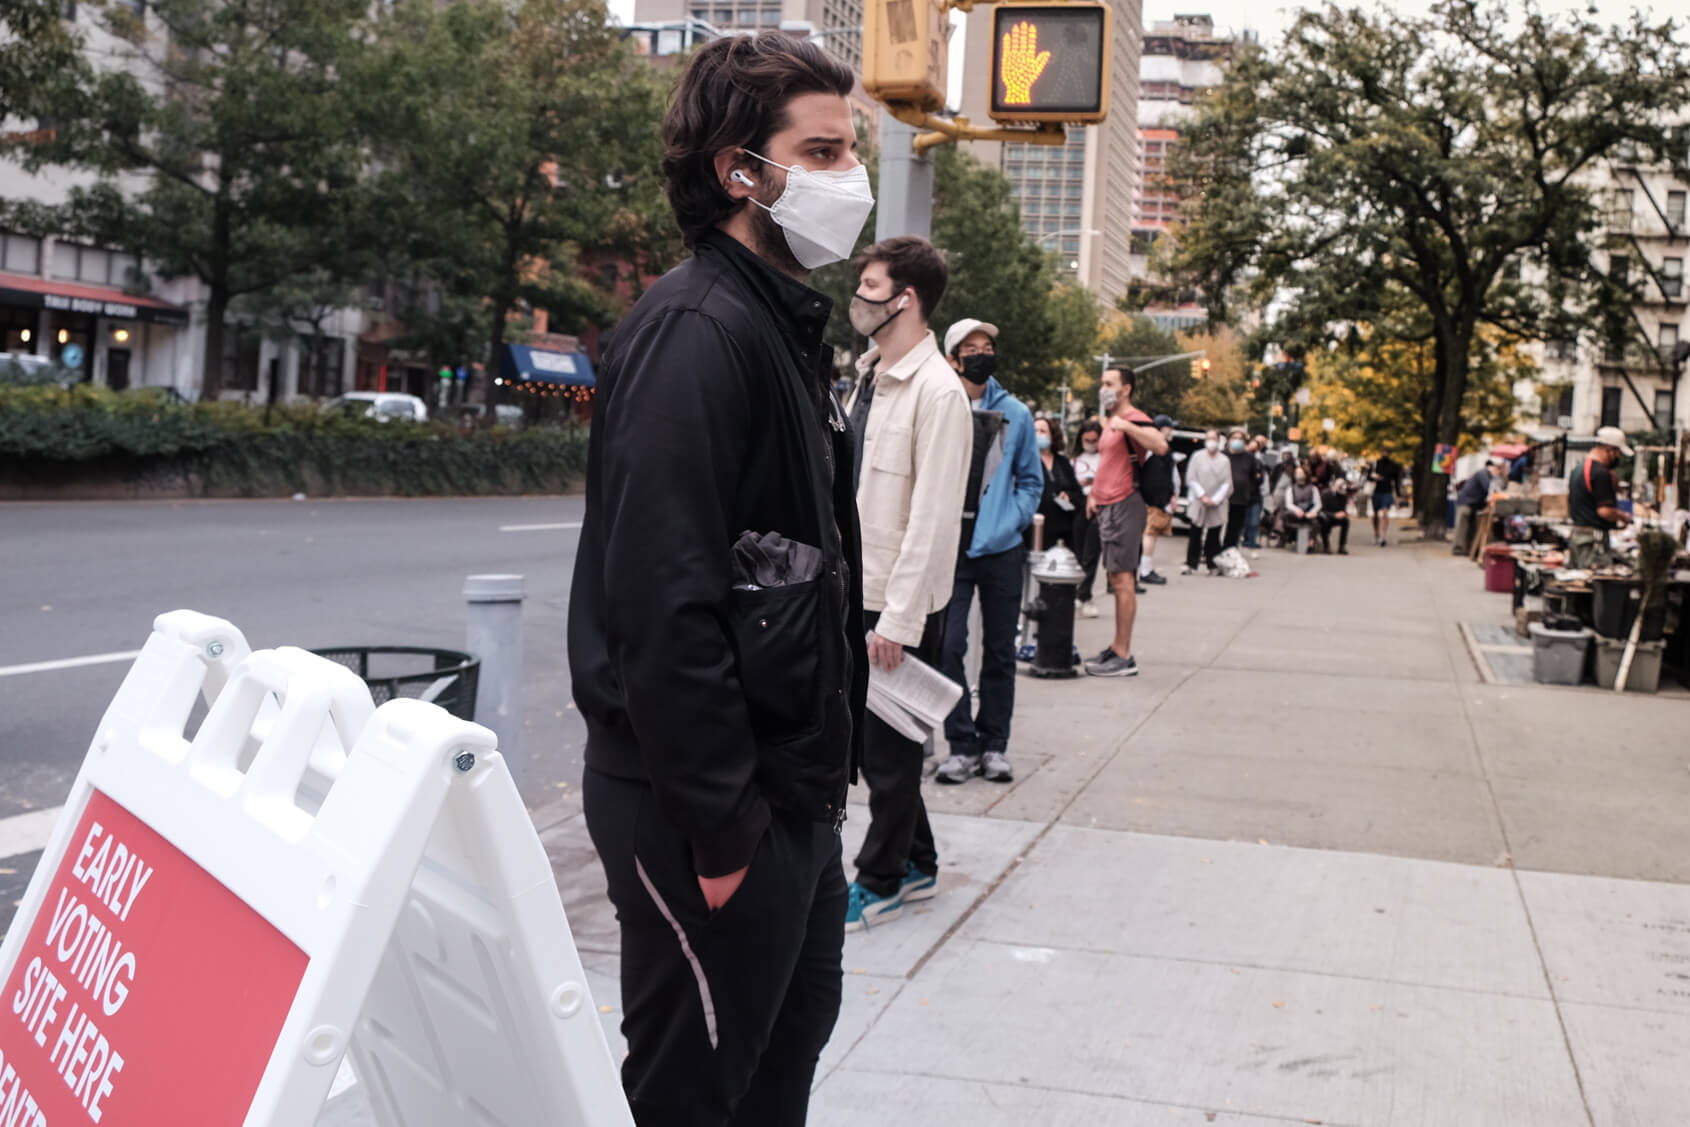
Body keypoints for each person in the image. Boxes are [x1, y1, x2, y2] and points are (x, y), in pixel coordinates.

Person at [567, 35, 869, 1126]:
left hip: (786, 795)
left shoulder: (774, 324)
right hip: (705, 807)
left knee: (775, 1067)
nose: (850, 178)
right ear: (741, 170)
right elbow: (662, 600)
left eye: (852, 148)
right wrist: (724, 833)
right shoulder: (698, 328)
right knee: (697, 1092)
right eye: (822, 150)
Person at [841, 237, 973, 933]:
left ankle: (881, 879)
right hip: (858, 589)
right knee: (876, 746)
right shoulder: (869, 376)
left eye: (869, 285)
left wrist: (897, 619)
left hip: (898, 601)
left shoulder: (938, 392)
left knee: (889, 755)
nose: (859, 297)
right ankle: (917, 861)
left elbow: (931, 518)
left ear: (906, 298)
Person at [935, 318, 1042, 784]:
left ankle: (994, 745)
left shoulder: (1016, 413)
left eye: (988, 345)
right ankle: (961, 745)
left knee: (1001, 651)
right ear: (952, 357)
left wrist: (1010, 521)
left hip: (1001, 549)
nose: (982, 353)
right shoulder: (938, 406)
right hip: (948, 547)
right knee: (946, 645)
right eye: (971, 346)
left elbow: (1032, 481)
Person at [1083, 366, 1169, 677]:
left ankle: (1123, 653)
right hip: (1107, 505)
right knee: (1115, 579)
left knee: (1123, 581)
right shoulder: (1110, 421)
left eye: (1109, 383)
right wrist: (1094, 493)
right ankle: (1117, 647)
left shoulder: (1132, 417)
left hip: (1124, 505)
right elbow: (1109, 462)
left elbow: (1159, 444)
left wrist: (1126, 426)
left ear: (1126, 389)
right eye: (1102, 382)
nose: (1103, 387)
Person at [1568, 426, 1634, 568]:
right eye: (1617, 453)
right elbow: (1605, 511)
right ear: (1609, 450)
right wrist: (1623, 516)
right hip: (1592, 541)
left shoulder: (1579, 468)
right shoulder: (1600, 473)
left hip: (1577, 536)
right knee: (1594, 582)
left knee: (1579, 581)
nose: (1618, 458)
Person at [1027, 417, 1084, 552]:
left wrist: (1069, 496)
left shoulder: (1063, 463)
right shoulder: (1027, 461)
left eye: (1043, 431)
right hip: (1033, 529)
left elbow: (1078, 494)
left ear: (1052, 437)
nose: (1038, 434)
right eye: (1035, 431)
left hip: (1063, 532)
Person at [1137, 414, 1179, 587]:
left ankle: (1145, 568)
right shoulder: (1153, 450)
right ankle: (1144, 570)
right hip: (1154, 501)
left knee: (1151, 535)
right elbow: (1155, 478)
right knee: (1150, 534)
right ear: (1162, 429)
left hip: (1158, 499)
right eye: (1169, 427)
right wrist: (1160, 499)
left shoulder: (1159, 449)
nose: (1171, 431)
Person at [1182, 429, 1231, 574]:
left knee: (1214, 535)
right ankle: (1191, 564)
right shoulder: (1197, 457)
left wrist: (1215, 499)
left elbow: (1226, 484)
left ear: (1218, 440)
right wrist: (1202, 495)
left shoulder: (1224, 460)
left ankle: (1212, 564)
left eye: (1213, 439)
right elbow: (1191, 478)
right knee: (1195, 533)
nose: (1211, 442)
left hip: (1217, 502)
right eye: (1208, 438)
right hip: (1199, 500)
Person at [1072, 420, 1104, 617]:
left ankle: (1085, 594)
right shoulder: (1075, 459)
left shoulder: (1105, 458)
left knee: (1091, 553)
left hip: (1099, 507)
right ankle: (1077, 591)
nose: (1090, 443)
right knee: (1077, 551)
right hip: (1078, 505)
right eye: (1087, 440)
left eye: (1094, 440)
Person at [1451, 457, 1501, 555]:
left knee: (1471, 527)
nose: (1497, 472)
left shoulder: (1485, 474)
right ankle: (1457, 548)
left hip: (1472, 504)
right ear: (1493, 467)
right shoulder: (1483, 473)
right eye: (1497, 469)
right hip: (1466, 503)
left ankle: (1469, 549)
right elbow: (1488, 488)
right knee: (1462, 526)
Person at [1223, 428, 1261, 552]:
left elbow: (1254, 478)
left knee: (1235, 530)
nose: (1237, 441)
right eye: (1234, 438)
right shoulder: (1223, 456)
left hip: (1240, 500)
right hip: (1222, 499)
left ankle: (1230, 552)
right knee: (1220, 529)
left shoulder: (1249, 458)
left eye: (1240, 439)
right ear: (1228, 440)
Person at [1369, 445, 1404, 546]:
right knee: (1375, 514)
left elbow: (1397, 481)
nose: (1384, 454)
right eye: (1383, 452)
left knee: (1385, 513)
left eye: (1386, 452)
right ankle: (1376, 532)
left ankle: (1382, 536)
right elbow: (1368, 477)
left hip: (1387, 492)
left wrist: (1398, 495)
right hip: (1376, 491)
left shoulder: (1394, 466)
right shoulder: (1376, 464)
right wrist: (1375, 477)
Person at [1282, 468, 1321, 546]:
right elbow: (1289, 504)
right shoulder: (1290, 489)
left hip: (1309, 513)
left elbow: (1318, 504)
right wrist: (1297, 510)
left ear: (1305, 474)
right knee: (1285, 516)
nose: (1299, 475)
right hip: (1295, 514)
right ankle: (1291, 538)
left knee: (1317, 522)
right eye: (1297, 473)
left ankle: (1311, 540)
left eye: (1301, 473)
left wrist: (1312, 512)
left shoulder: (1313, 488)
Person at [1318, 481, 1352, 554]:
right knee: (1325, 520)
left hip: (1337, 517)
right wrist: (1334, 515)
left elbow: (1343, 509)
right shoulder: (1325, 494)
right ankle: (1326, 545)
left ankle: (1342, 546)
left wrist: (1344, 513)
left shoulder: (1343, 495)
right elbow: (1321, 511)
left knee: (1346, 521)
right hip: (1326, 516)